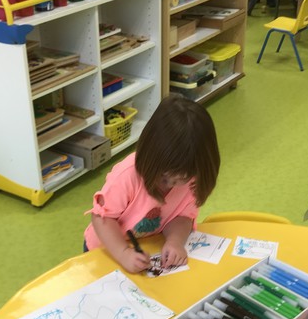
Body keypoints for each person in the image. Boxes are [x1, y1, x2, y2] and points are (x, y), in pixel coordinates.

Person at [83, 94, 221, 273]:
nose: (172, 184)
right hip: (107, 250)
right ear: (150, 155)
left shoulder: (193, 177)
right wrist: (123, 253)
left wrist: (175, 242)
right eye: (164, 178)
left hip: (146, 249)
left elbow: (182, 217)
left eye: (182, 179)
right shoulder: (128, 175)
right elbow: (102, 218)